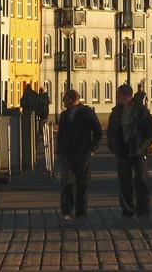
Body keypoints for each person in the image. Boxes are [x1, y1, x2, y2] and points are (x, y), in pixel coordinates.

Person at [107, 84, 152, 222]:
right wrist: (113, 146)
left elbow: (151, 132)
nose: (116, 98)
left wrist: (142, 146)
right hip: (122, 151)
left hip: (138, 151)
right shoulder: (116, 112)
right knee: (124, 182)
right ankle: (127, 211)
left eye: (118, 95)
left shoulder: (140, 111)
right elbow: (111, 131)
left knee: (141, 181)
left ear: (127, 96)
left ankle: (143, 212)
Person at [56, 90, 102, 225]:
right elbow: (61, 135)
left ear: (70, 99)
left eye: (64, 99)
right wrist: (59, 151)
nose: (63, 101)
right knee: (66, 185)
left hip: (82, 154)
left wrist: (92, 149)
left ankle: (81, 214)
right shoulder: (64, 115)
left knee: (82, 185)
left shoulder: (86, 113)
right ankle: (67, 212)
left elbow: (98, 131)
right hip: (67, 154)